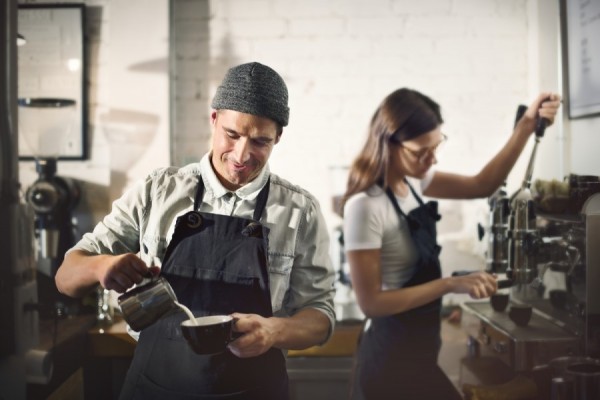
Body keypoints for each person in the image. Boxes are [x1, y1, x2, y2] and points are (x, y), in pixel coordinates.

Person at [55, 62, 336, 400]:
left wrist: (274, 330)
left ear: (278, 137)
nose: (242, 155)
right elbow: (66, 277)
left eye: (260, 141)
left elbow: (320, 315)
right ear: (214, 119)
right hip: (155, 388)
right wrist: (101, 266)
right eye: (232, 135)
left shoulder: (299, 211)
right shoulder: (158, 191)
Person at [341, 88, 561, 399]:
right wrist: (448, 285)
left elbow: (482, 184)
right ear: (388, 144)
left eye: (436, 146)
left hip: (423, 350)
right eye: (421, 152)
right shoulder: (365, 206)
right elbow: (372, 303)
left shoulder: (415, 181)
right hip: (389, 361)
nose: (431, 159)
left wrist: (526, 125)